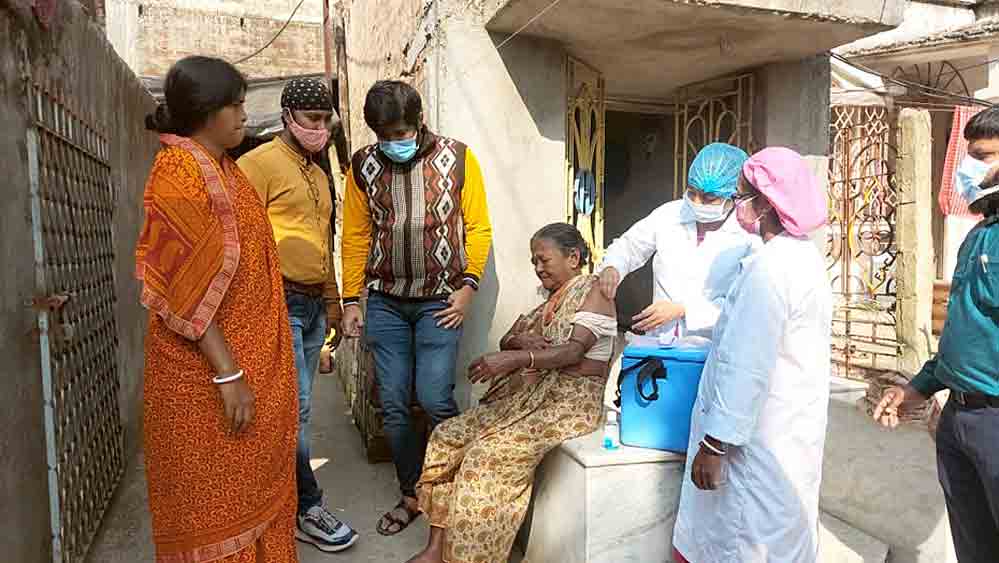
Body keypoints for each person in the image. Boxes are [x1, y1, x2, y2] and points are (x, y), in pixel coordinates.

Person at [136, 56, 298, 563]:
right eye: (235, 104)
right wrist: (229, 375)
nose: (243, 115)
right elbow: (183, 287)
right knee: (209, 512)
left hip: (249, 371)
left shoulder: (225, 169)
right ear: (205, 110)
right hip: (203, 381)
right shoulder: (177, 176)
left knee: (256, 496)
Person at [405, 223, 617, 563]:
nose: (538, 268)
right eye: (534, 261)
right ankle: (436, 549)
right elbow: (509, 337)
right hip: (534, 398)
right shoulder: (551, 300)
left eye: (544, 260)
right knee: (447, 435)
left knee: (484, 457)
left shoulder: (593, 292)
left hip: (570, 404)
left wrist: (516, 358)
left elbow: (573, 352)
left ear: (573, 257)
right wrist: (521, 342)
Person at [340, 80, 493, 536]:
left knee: (433, 398)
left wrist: (468, 288)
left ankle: (449, 488)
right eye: (384, 136)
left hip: (440, 301)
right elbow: (355, 235)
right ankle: (411, 494)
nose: (393, 144)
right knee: (392, 404)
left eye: (401, 133)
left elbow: (478, 228)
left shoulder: (459, 158)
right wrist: (352, 299)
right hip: (385, 302)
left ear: (419, 121)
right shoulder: (362, 165)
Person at [672, 147, 832, 563]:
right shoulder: (803, 258)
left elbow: (745, 363)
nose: (735, 205)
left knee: (741, 540)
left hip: (755, 440)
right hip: (784, 430)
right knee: (778, 536)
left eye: (741, 196)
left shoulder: (770, 271)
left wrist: (715, 443)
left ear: (765, 204)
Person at [873, 107, 999, 563]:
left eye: (984, 157)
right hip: (961, 420)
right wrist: (920, 387)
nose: (970, 170)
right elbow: (967, 328)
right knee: (976, 547)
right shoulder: (978, 237)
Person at [238, 78, 358, 552]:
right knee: (292, 410)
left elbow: (322, 242)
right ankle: (305, 507)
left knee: (297, 411)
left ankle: (283, 505)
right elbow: (243, 243)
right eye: (312, 120)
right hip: (277, 299)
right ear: (288, 117)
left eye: (326, 120)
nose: (321, 129)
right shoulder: (257, 165)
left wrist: (334, 302)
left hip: (311, 304)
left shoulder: (318, 172)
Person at [598, 142, 755, 339]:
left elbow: (745, 302)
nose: (697, 202)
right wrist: (613, 267)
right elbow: (629, 246)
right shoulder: (670, 214)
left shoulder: (748, 235)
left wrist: (683, 310)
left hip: (713, 345)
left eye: (709, 198)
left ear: (733, 195)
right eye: (692, 192)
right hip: (662, 342)